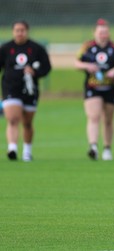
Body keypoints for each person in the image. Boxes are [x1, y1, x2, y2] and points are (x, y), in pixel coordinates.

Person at [0, 20, 51, 161]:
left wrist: (34, 71)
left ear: (27, 31)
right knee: (13, 119)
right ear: (13, 31)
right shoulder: (5, 49)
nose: (20, 33)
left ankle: (27, 151)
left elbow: (46, 68)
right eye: (17, 30)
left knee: (27, 123)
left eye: (22, 30)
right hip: (10, 88)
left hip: (30, 90)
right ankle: (12, 148)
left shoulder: (36, 49)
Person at [75, 18, 114, 161]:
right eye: (100, 32)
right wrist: (87, 66)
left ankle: (107, 148)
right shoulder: (87, 47)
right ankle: (93, 146)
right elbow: (77, 62)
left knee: (108, 119)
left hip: (110, 87)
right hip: (93, 86)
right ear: (95, 32)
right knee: (94, 116)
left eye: (105, 32)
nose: (103, 35)